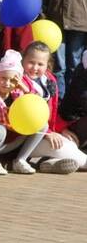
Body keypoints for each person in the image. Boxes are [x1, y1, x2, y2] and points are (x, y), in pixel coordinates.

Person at [20, 41, 87, 173]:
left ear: (47, 65)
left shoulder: (49, 81)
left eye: (40, 64)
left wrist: (61, 129)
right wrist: (48, 133)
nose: (34, 67)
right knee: (81, 158)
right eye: (31, 62)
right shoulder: (16, 81)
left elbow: (53, 112)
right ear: (22, 61)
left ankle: (48, 162)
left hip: (45, 135)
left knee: (68, 144)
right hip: (23, 139)